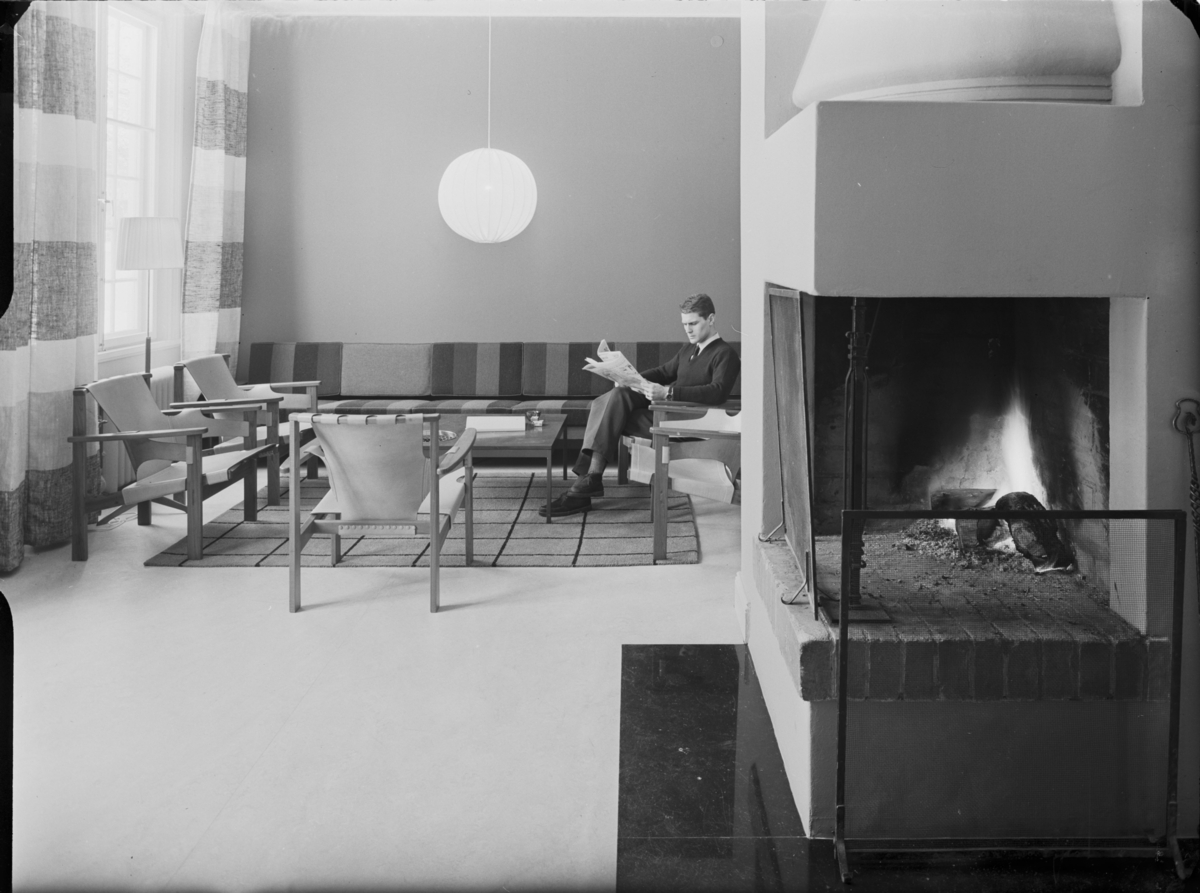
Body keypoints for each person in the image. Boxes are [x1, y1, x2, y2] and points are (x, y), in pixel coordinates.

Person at [541, 293, 740, 517]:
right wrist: (627, 377)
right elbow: (663, 372)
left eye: (693, 323)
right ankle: (588, 482)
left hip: (688, 423)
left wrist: (668, 392)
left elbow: (717, 391)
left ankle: (585, 485)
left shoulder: (726, 354)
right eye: (684, 324)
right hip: (667, 414)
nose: (688, 330)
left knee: (609, 409)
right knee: (618, 395)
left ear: (711, 319)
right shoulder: (689, 350)